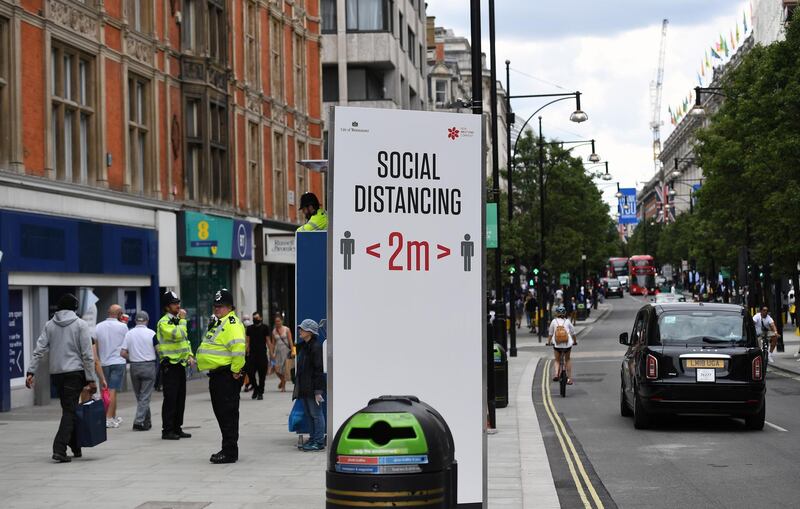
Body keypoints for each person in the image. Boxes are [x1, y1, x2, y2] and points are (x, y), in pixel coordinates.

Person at [26, 293, 97, 463]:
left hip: (57, 374)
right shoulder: (80, 324)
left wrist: (31, 371)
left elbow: (39, 349)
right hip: (75, 373)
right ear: (74, 308)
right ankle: (59, 449)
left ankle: (75, 445)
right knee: (70, 410)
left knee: (68, 409)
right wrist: (91, 379)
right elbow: (87, 354)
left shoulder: (49, 325)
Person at [197, 289, 246, 464]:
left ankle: (230, 451)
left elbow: (238, 349)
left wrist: (235, 371)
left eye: (221, 306)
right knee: (223, 414)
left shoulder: (231, 323)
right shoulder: (219, 322)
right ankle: (228, 448)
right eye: (216, 306)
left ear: (230, 307)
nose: (217, 309)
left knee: (228, 414)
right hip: (218, 376)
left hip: (226, 376)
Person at [157, 291, 195, 440]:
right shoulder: (164, 322)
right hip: (169, 365)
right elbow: (178, 335)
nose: (178, 305)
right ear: (167, 307)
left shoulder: (178, 321)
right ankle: (167, 430)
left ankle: (177, 427)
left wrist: (190, 355)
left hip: (180, 364)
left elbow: (185, 341)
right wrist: (183, 320)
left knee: (180, 398)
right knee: (170, 399)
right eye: (174, 303)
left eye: (178, 302)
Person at [121, 311, 157, 431]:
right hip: (149, 366)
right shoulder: (152, 333)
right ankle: (139, 421)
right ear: (147, 320)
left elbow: (122, 353)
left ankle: (147, 422)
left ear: (136, 320)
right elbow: (158, 349)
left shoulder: (129, 334)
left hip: (134, 366)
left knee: (140, 396)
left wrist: (132, 358)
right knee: (145, 396)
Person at [94, 304, 129, 428]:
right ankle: (108, 418)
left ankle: (112, 416)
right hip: (118, 362)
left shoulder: (98, 326)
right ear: (120, 314)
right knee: (113, 390)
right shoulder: (123, 327)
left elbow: (95, 346)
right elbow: (127, 344)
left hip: (104, 362)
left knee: (106, 390)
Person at [294, 319, 326, 451]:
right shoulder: (305, 346)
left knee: (316, 415)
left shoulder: (315, 347)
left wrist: (318, 391)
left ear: (310, 332)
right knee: (310, 415)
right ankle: (313, 438)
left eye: (302, 329)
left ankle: (318, 442)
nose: (300, 331)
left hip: (313, 388)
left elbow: (318, 370)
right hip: (305, 387)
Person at [547, 305, 577, 385]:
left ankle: (556, 374)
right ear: (565, 313)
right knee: (567, 360)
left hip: (557, 344)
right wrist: (575, 341)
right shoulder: (567, 321)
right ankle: (569, 379)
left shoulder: (554, 321)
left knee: (557, 360)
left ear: (557, 313)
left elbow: (550, 333)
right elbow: (573, 332)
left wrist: (549, 342)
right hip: (567, 344)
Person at [246, 311, 270, 400]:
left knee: (262, 375)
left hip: (262, 354)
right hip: (252, 354)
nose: (255, 319)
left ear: (260, 318)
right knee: (250, 373)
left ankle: (260, 392)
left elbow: (268, 340)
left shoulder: (265, 328)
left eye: (257, 318)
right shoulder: (249, 328)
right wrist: (246, 351)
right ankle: (256, 388)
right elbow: (247, 341)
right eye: (254, 318)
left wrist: (271, 353)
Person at [270, 312, 295, 392]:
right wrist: (272, 353)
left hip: (286, 351)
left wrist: (292, 351)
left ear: (282, 321)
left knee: (284, 369)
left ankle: (283, 387)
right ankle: (282, 380)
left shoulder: (286, 329)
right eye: (276, 321)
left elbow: (290, 341)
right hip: (278, 352)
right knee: (276, 369)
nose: (277, 323)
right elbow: (273, 343)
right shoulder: (274, 331)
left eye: (279, 321)